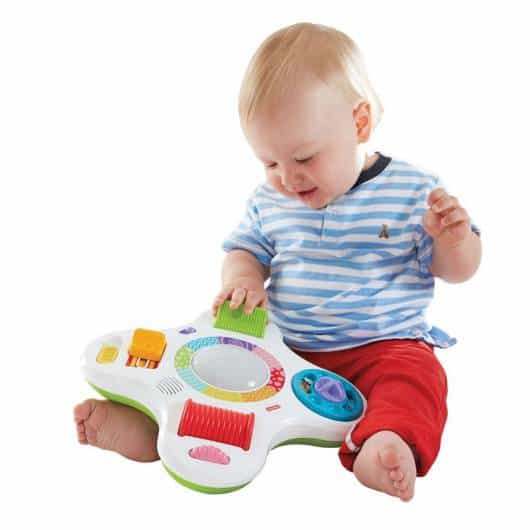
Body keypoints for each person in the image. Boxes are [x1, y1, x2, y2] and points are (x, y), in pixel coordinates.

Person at [74, 22, 481, 502]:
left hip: (382, 346)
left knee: (416, 381)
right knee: (210, 368)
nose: (287, 178)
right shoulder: (271, 200)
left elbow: (457, 270)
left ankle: (384, 441)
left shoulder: (414, 191)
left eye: (303, 158)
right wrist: (243, 280)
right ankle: (154, 425)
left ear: (359, 124)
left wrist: (454, 240)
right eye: (269, 162)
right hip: (281, 348)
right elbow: (245, 250)